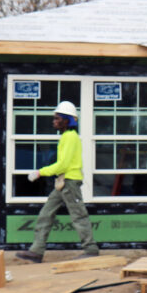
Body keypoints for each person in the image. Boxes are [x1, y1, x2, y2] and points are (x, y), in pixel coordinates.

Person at [14, 101, 99, 263]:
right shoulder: (67, 137)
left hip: (69, 182)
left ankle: (90, 249)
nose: (54, 121)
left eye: (57, 118)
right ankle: (36, 251)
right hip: (64, 182)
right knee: (46, 214)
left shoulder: (70, 138)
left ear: (67, 120)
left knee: (78, 216)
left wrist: (40, 172)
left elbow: (63, 165)